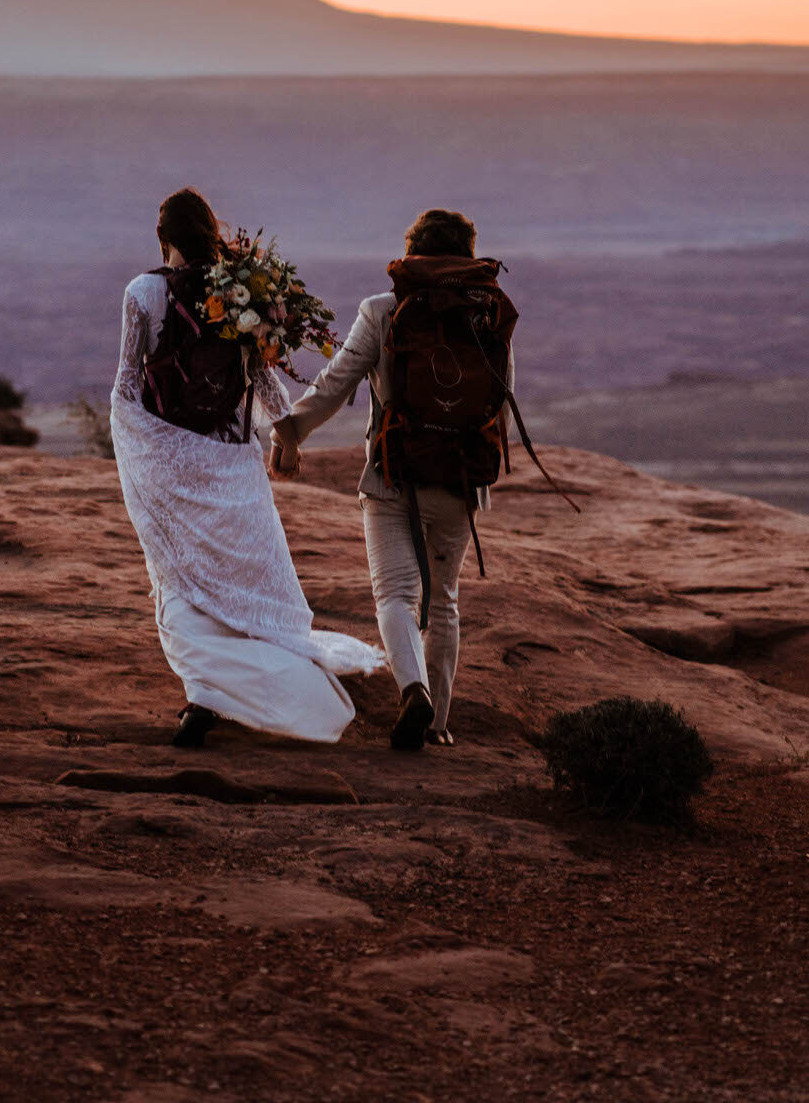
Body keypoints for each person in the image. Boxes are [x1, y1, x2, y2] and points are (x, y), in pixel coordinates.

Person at [110, 187, 382, 749]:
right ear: (212, 233)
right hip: (233, 458)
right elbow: (258, 375)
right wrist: (286, 439)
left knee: (182, 577)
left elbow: (126, 385)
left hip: (169, 461)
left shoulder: (142, 292)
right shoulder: (244, 295)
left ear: (163, 240)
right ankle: (251, 687)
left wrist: (141, 451)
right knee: (244, 576)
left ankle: (202, 696)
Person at [271, 208, 511, 752]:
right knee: (444, 599)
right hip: (459, 480)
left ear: (412, 253)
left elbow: (336, 382)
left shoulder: (383, 309)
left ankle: (412, 689)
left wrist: (288, 436)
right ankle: (438, 722)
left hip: (392, 476)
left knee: (396, 595)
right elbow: (498, 400)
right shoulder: (489, 315)